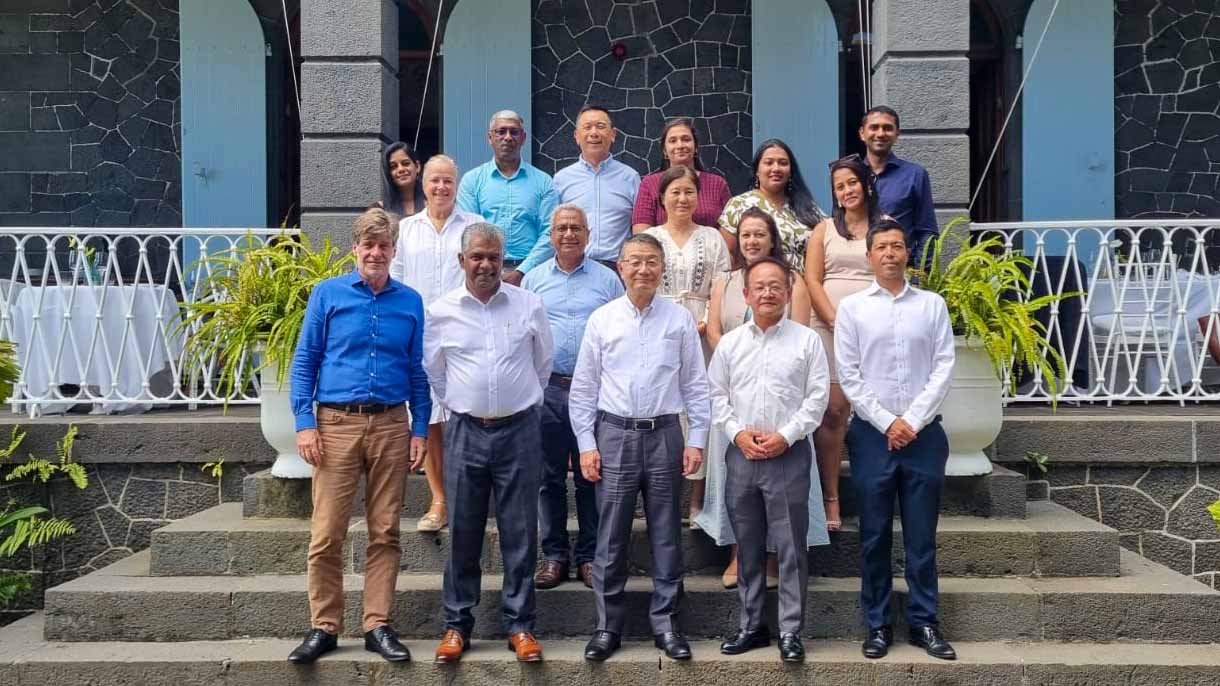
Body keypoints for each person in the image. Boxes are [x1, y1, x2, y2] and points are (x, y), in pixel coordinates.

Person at [287, 208, 431, 665]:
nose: (375, 253)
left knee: (385, 530)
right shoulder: (327, 294)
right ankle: (324, 626)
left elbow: (416, 370)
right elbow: (305, 361)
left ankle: (377, 624)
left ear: (393, 251)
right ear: (355, 249)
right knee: (327, 532)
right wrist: (304, 423)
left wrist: (420, 429)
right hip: (336, 425)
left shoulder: (410, 302)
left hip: (391, 424)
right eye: (368, 245)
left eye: (383, 246)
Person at [570, 233, 710, 663]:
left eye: (651, 261)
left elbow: (695, 384)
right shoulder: (603, 319)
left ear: (662, 267)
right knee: (611, 536)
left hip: (665, 434)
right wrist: (587, 445)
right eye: (634, 261)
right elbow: (584, 389)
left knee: (666, 534)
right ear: (621, 267)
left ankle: (666, 624)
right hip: (614, 435)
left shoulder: (679, 319)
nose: (643, 269)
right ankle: (607, 626)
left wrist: (697, 439)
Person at [425, 223, 554, 664]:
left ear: (504, 260)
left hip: (520, 431)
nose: (486, 265)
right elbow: (435, 371)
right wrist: (468, 403)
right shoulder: (441, 311)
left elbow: (543, 364)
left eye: (494, 257)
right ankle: (457, 625)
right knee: (464, 530)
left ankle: (520, 626)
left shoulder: (529, 304)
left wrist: (517, 403)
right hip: (466, 431)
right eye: (477, 257)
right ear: (461, 260)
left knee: (521, 531)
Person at [835, 218, 957, 661]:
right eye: (882, 247)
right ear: (869, 256)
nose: (890, 253)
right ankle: (878, 624)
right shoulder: (852, 309)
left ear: (908, 253)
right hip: (872, 436)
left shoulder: (932, 305)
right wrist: (889, 422)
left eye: (897, 246)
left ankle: (925, 623)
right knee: (874, 535)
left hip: (925, 436)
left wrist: (913, 421)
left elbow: (944, 366)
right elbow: (849, 374)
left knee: (922, 537)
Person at [709, 257, 829, 663]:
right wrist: (738, 434)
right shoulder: (731, 344)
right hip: (742, 454)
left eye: (776, 286)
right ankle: (752, 625)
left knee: (791, 545)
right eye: (759, 286)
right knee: (747, 543)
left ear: (788, 291)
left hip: (788, 453)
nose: (767, 293)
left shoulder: (806, 341)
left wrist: (786, 436)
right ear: (746, 294)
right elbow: (716, 396)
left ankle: (791, 630)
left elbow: (817, 398)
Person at [699, 207, 821, 589]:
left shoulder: (791, 280)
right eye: (746, 234)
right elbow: (715, 334)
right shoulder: (726, 281)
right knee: (740, 496)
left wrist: (784, 430)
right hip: (738, 404)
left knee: (783, 505)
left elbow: (797, 342)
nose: (752, 241)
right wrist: (738, 425)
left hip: (783, 408)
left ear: (772, 240)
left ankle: (772, 561)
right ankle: (739, 555)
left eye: (760, 234)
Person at [522, 204, 624, 590]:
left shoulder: (608, 280)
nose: (569, 234)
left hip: (594, 391)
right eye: (562, 228)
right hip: (548, 388)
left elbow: (621, 330)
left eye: (576, 228)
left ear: (588, 235)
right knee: (547, 477)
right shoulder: (533, 280)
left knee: (591, 474)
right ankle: (554, 555)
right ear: (551, 235)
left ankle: (589, 555)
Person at [390, 154, 483, 534]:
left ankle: (469, 498)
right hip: (422, 336)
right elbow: (395, 282)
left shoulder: (475, 226)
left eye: (448, 181)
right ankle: (439, 499)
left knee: (466, 416)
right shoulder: (406, 230)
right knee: (429, 419)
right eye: (435, 181)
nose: (441, 187)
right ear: (423, 185)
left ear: (456, 185)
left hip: (466, 335)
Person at [643, 164, 730, 524]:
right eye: (675, 192)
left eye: (689, 192)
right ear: (662, 197)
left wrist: (707, 321)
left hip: (703, 329)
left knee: (699, 407)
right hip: (659, 327)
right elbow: (641, 283)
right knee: (665, 405)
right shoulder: (651, 237)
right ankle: (666, 497)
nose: (682, 198)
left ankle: (697, 500)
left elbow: (721, 284)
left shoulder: (712, 238)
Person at [803, 155, 880, 533]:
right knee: (833, 412)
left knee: (871, 411)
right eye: (839, 186)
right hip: (828, 327)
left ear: (866, 184)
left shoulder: (886, 227)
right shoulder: (823, 230)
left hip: (875, 332)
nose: (847, 191)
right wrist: (835, 320)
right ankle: (830, 497)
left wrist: (865, 327)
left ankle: (875, 495)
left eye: (852, 183)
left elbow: (893, 273)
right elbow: (812, 280)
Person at [457, 110, 559, 285]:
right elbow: (469, 230)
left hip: (533, 273)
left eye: (514, 132)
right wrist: (492, 268)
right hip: (485, 271)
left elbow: (550, 232)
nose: (508, 137)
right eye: (501, 131)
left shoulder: (543, 182)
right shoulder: (472, 181)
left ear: (523, 138)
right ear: (490, 138)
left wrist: (522, 271)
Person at [547, 105, 641, 271]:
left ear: (613, 134)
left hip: (618, 268)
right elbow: (553, 228)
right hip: (575, 267)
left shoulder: (630, 177)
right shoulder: (561, 179)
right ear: (576, 136)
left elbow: (639, 226)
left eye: (600, 126)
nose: (594, 133)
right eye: (587, 127)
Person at [718, 138, 825, 272]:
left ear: (791, 171)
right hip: (760, 282)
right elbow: (727, 255)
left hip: (804, 282)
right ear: (757, 170)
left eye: (783, 163)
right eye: (769, 163)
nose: (776, 168)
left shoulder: (807, 206)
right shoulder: (738, 205)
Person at [859, 106, 938, 265]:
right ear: (862, 133)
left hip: (900, 269)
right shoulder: (851, 176)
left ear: (897, 134)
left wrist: (919, 274)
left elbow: (927, 231)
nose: (880, 133)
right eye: (874, 127)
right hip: (857, 269)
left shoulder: (915, 174)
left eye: (887, 128)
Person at [631, 117, 732, 234]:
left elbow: (729, 230)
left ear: (696, 147)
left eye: (686, 139)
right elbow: (641, 232)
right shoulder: (650, 184)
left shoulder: (717, 184)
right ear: (664, 150)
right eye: (673, 141)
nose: (680, 145)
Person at [379, 141, 425, 218]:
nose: (400, 169)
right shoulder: (379, 210)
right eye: (393, 166)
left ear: (417, 166)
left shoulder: (432, 206)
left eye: (406, 163)